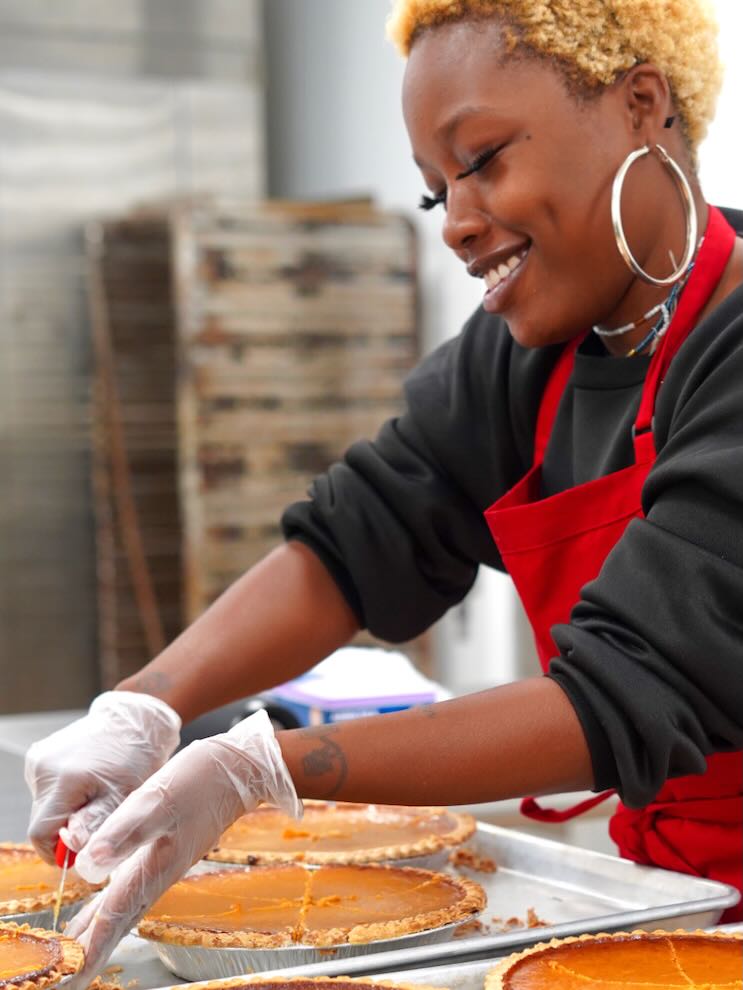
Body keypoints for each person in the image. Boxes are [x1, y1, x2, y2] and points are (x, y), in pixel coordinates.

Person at [24, 0, 743, 984]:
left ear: (639, 104)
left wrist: (262, 771)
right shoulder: (522, 361)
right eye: (433, 192)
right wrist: (143, 707)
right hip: (676, 909)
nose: (455, 223)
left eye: (482, 158)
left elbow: (629, 689)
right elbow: (358, 538)